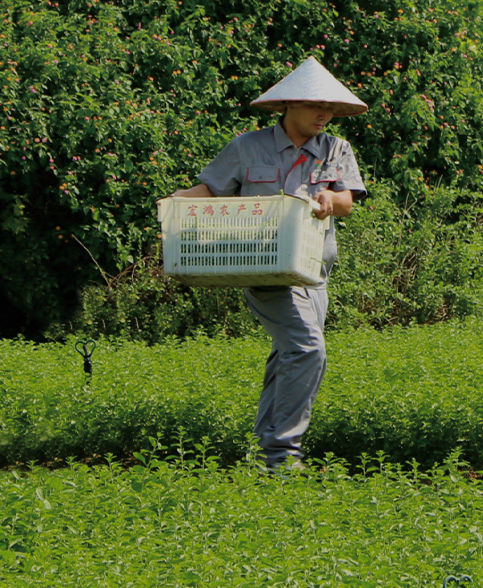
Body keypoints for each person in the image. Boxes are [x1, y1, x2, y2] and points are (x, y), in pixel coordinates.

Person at [166, 57, 368, 470]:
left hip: (315, 273)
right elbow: (210, 188)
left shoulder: (336, 149)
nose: (324, 114)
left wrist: (331, 199)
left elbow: (348, 198)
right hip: (266, 269)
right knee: (308, 349)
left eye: (330, 107)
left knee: (289, 354)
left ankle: (263, 451)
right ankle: (281, 456)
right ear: (288, 105)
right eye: (315, 105)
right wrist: (171, 209)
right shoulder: (247, 147)